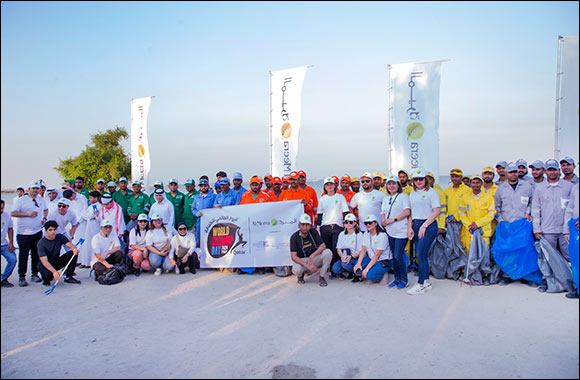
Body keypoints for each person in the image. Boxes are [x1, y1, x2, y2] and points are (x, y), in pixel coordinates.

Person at [532, 159, 574, 293]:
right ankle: (547, 280)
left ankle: (571, 282)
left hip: (565, 230)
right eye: (549, 170)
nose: (552, 172)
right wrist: (537, 229)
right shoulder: (540, 189)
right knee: (546, 257)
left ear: (559, 171)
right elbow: (535, 211)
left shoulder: (568, 187)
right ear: (545, 171)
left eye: (554, 169)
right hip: (547, 230)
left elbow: (573, 208)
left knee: (569, 256)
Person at [493, 162, 536, 286]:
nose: (513, 174)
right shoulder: (501, 189)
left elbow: (533, 201)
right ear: (506, 174)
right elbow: (497, 207)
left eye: (515, 172)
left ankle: (526, 276)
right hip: (508, 225)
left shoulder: (527, 186)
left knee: (525, 251)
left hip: (523, 225)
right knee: (509, 252)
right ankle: (508, 276)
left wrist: (528, 212)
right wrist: (501, 222)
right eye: (510, 172)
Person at [407, 168, 440, 295]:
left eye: (421, 179)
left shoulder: (432, 192)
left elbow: (436, 211)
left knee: (421, 254)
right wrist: (410, 227)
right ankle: (426, 281)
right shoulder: (413, 193)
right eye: (416, 179)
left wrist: (424, 225)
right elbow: (411, 212)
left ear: (425, 179)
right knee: (421, 254)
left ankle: (420, 284)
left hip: (428, 225)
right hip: (416, 224)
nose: (418, 181)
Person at [11, 180, 48, 287]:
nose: (36, 190)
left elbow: (45, 210)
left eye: (37, 188)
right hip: (24, 233)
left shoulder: (41, 200)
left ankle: (34, 274)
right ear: (29, 189)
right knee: (23, 255)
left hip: (37, 231)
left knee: (36, 254)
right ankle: (22, 276)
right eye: (34, 188)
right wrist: (28, 214)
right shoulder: (21, 200)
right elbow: (13, 213)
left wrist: (44, 218)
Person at [381, 175, 411, 289]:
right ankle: (397, 278)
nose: (391, 186)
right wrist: (384, 220)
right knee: (394, 256)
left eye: (394, 183)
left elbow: (407, 212)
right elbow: (383, 212)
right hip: (390, 231)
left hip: (401, 231)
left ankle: (404, 279)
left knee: (398, 255)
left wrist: (393, 220)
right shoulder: (385, 198)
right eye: (389, 184)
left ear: (398, 185)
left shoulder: (403, 197)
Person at [290, 214, 332, 287]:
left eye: (307, 225)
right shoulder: (294, 237)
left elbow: (323, 246)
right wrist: (306, 265)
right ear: (299, 225)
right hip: (302, 260)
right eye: (303, 224)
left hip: (313, 258)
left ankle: (321, 276)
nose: (305, 227)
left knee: (328, 253)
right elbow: (293, 256)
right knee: (297, 270)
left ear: (310, 225)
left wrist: (313, 255)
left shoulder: (313, 232)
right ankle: (300, 275)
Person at [458, 175, 496, 255]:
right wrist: (469, 225)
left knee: (484, 255)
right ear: (470, 184)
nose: (475, 185)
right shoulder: (465, 197)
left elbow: (491, 214)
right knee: (471, 255)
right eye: (473, 183)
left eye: (478, 182)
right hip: (470, 231)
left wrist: (478, 224)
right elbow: (462, 213)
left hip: (484, 232)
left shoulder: (488, 197)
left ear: (481, 184)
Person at [37, 220, 81, 287]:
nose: (53, 232)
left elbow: (70, 245)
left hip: (56, 261)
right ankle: (46, 280)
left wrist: (74, 249)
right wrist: (54, 272)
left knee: (72, 253)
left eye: (54, 230)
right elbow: (44, 261)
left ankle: (69, 277)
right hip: (45, 265)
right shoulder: (41, 243)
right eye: (50, 230)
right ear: (46, 231)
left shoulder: (59, 237)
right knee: (48, 276)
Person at [316, 177, 349, 266]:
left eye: (331, 184)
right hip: (325, 227)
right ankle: (329, 268)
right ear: (324, 187)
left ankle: (337, 269)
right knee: (328, 249)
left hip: (337, 226)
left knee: (336, 248)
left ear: (335, 185)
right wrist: (318, 228)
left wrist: (346, 226)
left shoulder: (341, 197)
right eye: (327, 184)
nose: (329, 186)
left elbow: (346, 212)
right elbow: (319, 214)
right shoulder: (323, 199)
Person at [352, 214, 392, 284]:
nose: (368, 225)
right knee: (357, 265)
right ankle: (372, 271)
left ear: (376, 223)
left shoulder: (382, 235)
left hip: (383, 260)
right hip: (371, 258)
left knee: (369, 275)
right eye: (366, 223)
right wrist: (358, 264)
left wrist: (366, 269)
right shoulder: (366, 234)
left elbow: (377, 255)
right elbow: (363, 250)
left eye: (370, 223)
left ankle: (384, 274)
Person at [444, 168, 470, 248]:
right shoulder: (447, 190)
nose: (454, 178)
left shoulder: (467, 190)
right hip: (449, 222)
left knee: (462, 243)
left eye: (457, 176)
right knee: (451, 244)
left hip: (462, 221)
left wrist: (457, 216)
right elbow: (444, 206)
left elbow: (468, 207)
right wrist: (446, 217)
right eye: (452, 176)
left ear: (461, 177)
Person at [77, 191, 101, 268]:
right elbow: (85, 215)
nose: (90, 199)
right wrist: (90, 216)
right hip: (88, 227)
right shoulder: (90, 207)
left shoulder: (98, 206)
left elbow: (95, 216)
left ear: (96, 198)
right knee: (87, 244)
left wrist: (91, 216)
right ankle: (86, 262)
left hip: (95, 228)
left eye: (91, 197)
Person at [563, 182, 579, 299]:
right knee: (576, 261)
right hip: (575, 230)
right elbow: (570, 209)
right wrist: (566, 230)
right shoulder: (576, 187)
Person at [192, 178, 216, 247]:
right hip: (199, 222)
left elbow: (215, 208)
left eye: (205, 185)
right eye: (201, 186)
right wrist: (196, 213)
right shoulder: (197, 197)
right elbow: (193, 208)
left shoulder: (213, 196)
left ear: (208, 186)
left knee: (210, 240)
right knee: (199, 241)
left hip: (210, 222)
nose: (203, 187)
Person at [1, 199, 17, 287]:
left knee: (12, 259)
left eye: (2, 208)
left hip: (3, 244)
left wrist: (11, 243)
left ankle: (4, 278)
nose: (1, 210)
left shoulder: (6, 215)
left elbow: (10, 229)